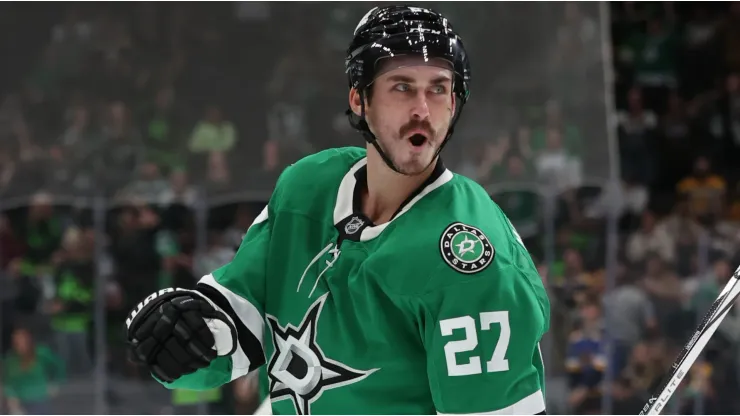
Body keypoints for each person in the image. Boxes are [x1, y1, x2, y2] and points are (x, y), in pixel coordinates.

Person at [124, 5, 550, 415]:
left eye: (438, 89)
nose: (422, 109)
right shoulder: (307, 188)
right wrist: (187, 335)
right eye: (401, 87)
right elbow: (241, 326)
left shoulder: (470, 260)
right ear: (360, 99)